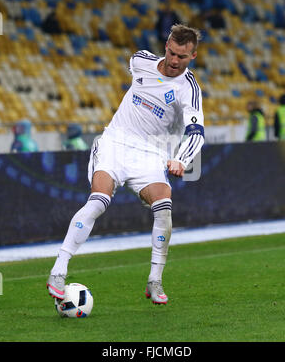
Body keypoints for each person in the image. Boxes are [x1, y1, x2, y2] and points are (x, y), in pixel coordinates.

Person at [47, 24, 205, 305]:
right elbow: (137, 71)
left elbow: (197, 132)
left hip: (149, 154)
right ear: (166, 45)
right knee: (98, 201)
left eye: (181, 57)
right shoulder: (141, 60)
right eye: (171, 52)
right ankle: (58, 271)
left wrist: (181, 159)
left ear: (192, 56)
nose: (173, 60)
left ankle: (154, 281)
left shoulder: (188, 89)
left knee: (164, 207)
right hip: (115, 143)